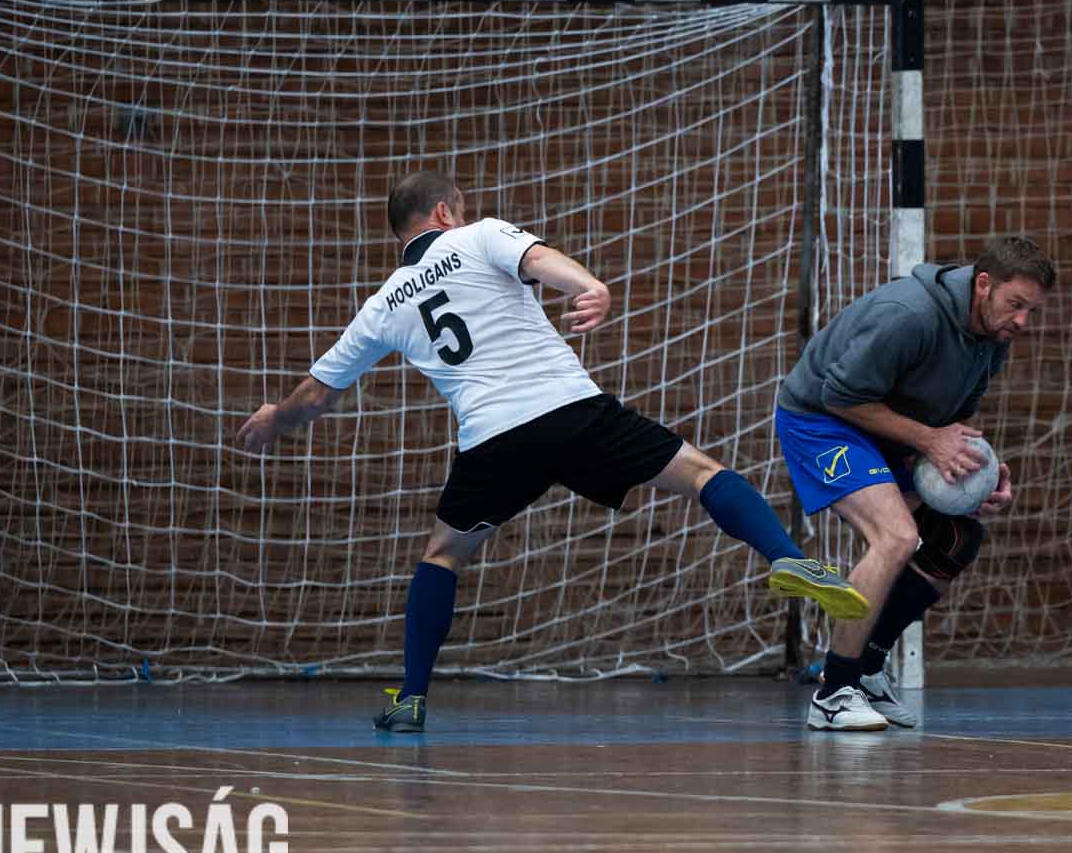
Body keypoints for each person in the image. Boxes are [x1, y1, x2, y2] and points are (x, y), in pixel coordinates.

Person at [237, 170, 869, 731]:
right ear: (443, 212)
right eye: (459, 207)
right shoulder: (478, 235)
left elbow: (316, 395)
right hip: (570, 414)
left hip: (491, 441)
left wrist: (274, 420)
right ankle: (789, 559)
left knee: (443, 555)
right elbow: (539, 260)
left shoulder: (383, 305)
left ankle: (412, 698)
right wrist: (592, 286)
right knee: (704, 474)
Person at [775, 236, 1056, 730]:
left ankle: (867, 668)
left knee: (956, 538)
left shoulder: (992, 338)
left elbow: (948, 425)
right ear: (983, 284)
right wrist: (930, 441)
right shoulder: (908, 316)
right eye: (1016, 304)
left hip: (888, 428)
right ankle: (834, 691)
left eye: (1032, 310)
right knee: (897, 537)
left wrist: (979, 475)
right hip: (821, 421)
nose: (1022, 322)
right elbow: (838, 396)